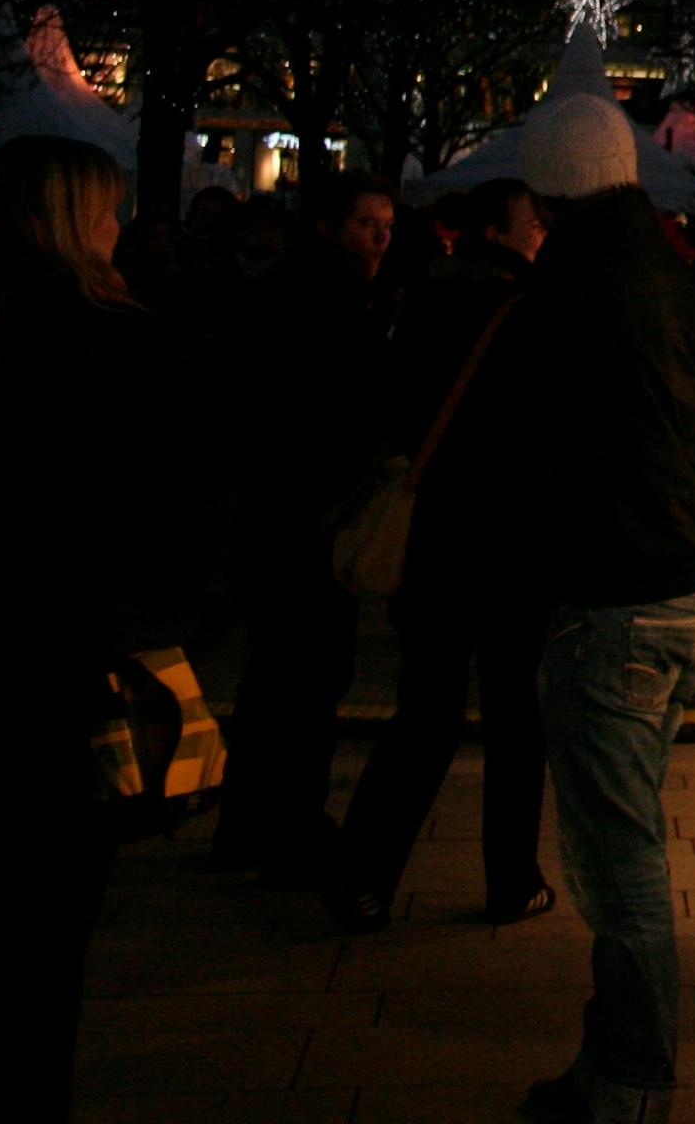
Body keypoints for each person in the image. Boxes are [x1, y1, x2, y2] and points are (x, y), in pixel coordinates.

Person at [0, 138, 215, 1120]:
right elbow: (191, 520)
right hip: (77, 674)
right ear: (78, 219)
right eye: (107, 211)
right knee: (43, 945)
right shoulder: (123, 339)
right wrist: (156, 622)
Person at [509, 92, 695, 1124]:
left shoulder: (573, 281)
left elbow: (542, 443)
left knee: (618, 858)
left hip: (615, 597)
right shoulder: (666, 268)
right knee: (621, 840)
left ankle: (633, 1080)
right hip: (678, 588)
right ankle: (614, 1063)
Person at [326, 178, 552, 930]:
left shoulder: (421, 300)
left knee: (424, 714)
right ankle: (510, 878)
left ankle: (365, 874)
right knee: (516, 716)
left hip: (433, 537)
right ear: (498, 232)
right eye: (532, 224)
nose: (539, 235)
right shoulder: (527, 311)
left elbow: (390, 407)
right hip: (510, 540)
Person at [213, 169, 404, 884]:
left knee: (274, 676)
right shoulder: (334, 303)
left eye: (386, 226)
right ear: (328, 226)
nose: (379, 239)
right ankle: (291, 822)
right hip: (315, 515)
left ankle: (246, 823)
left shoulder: (282, 294)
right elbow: (344, 411)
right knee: (310, 675)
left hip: (275, 514)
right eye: (366, 225)